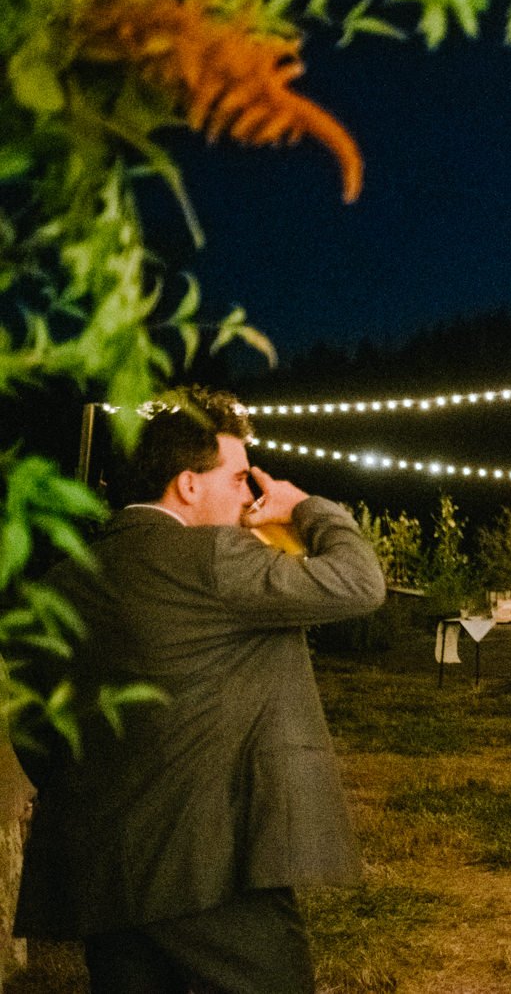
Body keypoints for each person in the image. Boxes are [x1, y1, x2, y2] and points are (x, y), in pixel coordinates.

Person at [16, 387, 387, 993]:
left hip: (100, 869)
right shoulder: (215, 557)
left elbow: (33, 725)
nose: (248, 494)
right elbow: (358, 583)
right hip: (207, 864)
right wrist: (305, 508)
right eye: (240, 477)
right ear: (188, 484)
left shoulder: (62, 577)